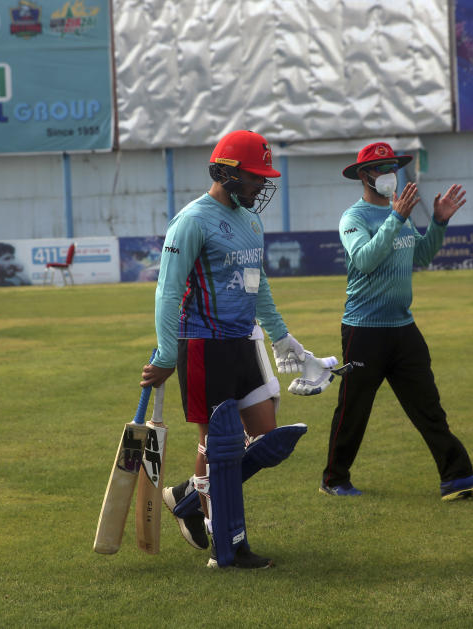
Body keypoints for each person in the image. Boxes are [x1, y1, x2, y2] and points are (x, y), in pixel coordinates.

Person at [139, 130, 333, 569]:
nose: (261, 186)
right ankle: (224, 543)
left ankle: (188, 498)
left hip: (242, 343)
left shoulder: (251, 220)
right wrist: (168, 353)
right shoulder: (192, 221)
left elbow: (258, 284)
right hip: (204, 347)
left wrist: (282, 337)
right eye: (254, 177)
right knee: (218, 443)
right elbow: (167, 292)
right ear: (226, 173)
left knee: (264, 437)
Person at [320, 141, 473, 501]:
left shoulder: (397, 213)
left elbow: (423, 255)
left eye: (392, 168)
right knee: (354, 409)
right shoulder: (353, 218)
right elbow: (366, 260)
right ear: (364, 176)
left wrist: (439, 222)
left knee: (429, 407)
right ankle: (334, 479)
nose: (390, 175)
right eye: (381, 169)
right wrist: (397, 217)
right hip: (363, 330)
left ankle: (456, 476)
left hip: (403, 329)